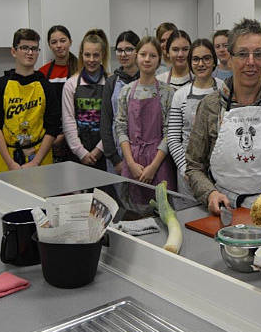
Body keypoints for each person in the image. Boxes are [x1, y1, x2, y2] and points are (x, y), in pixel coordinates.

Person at [185, 19, 261, 220]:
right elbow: (194, 165)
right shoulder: (210, 106)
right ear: (229, 58)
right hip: (224, 210)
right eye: (242, 54)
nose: (251, 62)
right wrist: (210, 193)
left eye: (258, 54)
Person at [114, 37, 176, 214]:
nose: (147, 59)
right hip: (132, 160)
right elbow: (121, 127)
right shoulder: (126, 91)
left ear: (159, 60)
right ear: (136, 55)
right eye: (143, 54)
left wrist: (153, 166)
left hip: (159, 161)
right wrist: (131, 162)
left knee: (162, 213)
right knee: (132, 213)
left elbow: (169, 132)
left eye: (153, 55)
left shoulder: (168, 92)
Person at [0, 28, 60, 172]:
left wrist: (36, 161)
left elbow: (53, 128)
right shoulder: (0, 85)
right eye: (24, 48)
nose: (30, 52)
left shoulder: (46, 87)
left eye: (34, 48)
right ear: (14, 51)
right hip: (8, 157)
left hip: (40, 158)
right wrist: (10, 162)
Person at [167, 38, 224, 208]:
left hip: (219, 172)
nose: (201, 64)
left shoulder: (225, 90)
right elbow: (173, 139)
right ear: (190, 63)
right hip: (188, 172)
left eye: (206, 58)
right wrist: (186, 170)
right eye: (196, 59)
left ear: (214, 61)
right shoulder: (181, 95)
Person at [61, 29, 109, 171]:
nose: (91, 60)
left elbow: (113, 122)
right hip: (77, 154)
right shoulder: (71, 84)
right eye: (87, 55)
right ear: (81, 54)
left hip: (104, 153)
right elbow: (68, 121)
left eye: (96, 55)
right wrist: (81, 152)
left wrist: (98, 150)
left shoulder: (110, 83)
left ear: (102, 55)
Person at [101, 31, 140, 178]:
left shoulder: (147, 79)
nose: (123, 54)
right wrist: (115, 159)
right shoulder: (111, 82)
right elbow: (106, 122)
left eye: (129, 49)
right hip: (117, 155)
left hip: (143, 154)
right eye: (119, 50)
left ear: (138, 51)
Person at [39, 25, 78, 162]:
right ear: (49, 46)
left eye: (63, 40)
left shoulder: (81, 69)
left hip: (76, 137)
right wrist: (53, 136)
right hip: (51, 137)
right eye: (54, 42)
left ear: (70, 42)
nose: (59, 45)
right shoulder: (42, 73)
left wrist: (66, 134)